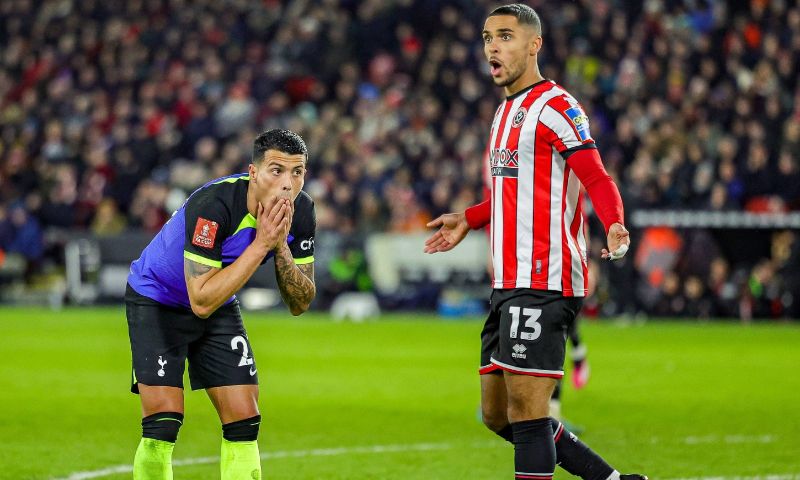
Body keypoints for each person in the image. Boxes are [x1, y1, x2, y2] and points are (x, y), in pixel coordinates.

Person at [424, 5, 645, 480]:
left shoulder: (557, 107)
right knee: (498, 415)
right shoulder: (504, 112)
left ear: (534, 45)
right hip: (508, 279)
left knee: (528, 416)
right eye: (487, 37)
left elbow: (596, 176)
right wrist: (471, 217)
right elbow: (512, 197)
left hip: (543, 277)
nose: (492, 47)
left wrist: (614, 223)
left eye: (505, 36)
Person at [125, 128, 316, 479]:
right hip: (158, 298)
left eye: (297, 172)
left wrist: (281, 248)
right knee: (164, 422)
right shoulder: (213, 205)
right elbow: (200, 301)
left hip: (219, 298)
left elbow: (300, 302)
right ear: (253, 172)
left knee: (244, 418)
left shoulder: (301, 212)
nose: (288, 183)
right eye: (277, 170)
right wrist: (261, 244)